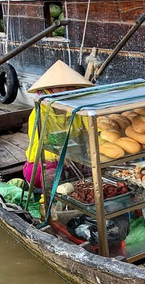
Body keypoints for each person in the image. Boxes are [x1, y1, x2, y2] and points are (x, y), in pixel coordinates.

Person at [23, 60, 94, 188]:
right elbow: (37, 148)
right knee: (52, 174)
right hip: (43, 165)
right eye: (60, 87)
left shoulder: (79, 110)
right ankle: (50, 205)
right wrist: (61, 155)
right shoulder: (39, 113)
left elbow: (93, 130)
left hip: (75, 161)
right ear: (49, 89)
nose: (65, 91)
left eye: (69, 86)